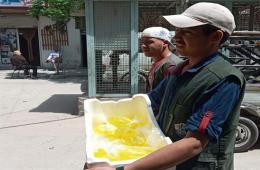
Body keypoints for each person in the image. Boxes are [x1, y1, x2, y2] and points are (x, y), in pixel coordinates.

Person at [85, 2, 246, 170]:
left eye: (187, 32)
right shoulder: (180, 69)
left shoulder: (224, 79)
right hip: (170, 159)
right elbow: (149, 101)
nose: (176, 37)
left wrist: (123, 169)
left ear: (215, 37)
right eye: (177, 30)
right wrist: (103, 116)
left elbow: (194, 143)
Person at [140, 27, 182, 92]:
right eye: (142, 42)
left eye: (149, 42)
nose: (143, 45)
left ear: (165, 43)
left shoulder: (171, 65)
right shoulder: (159, 63)